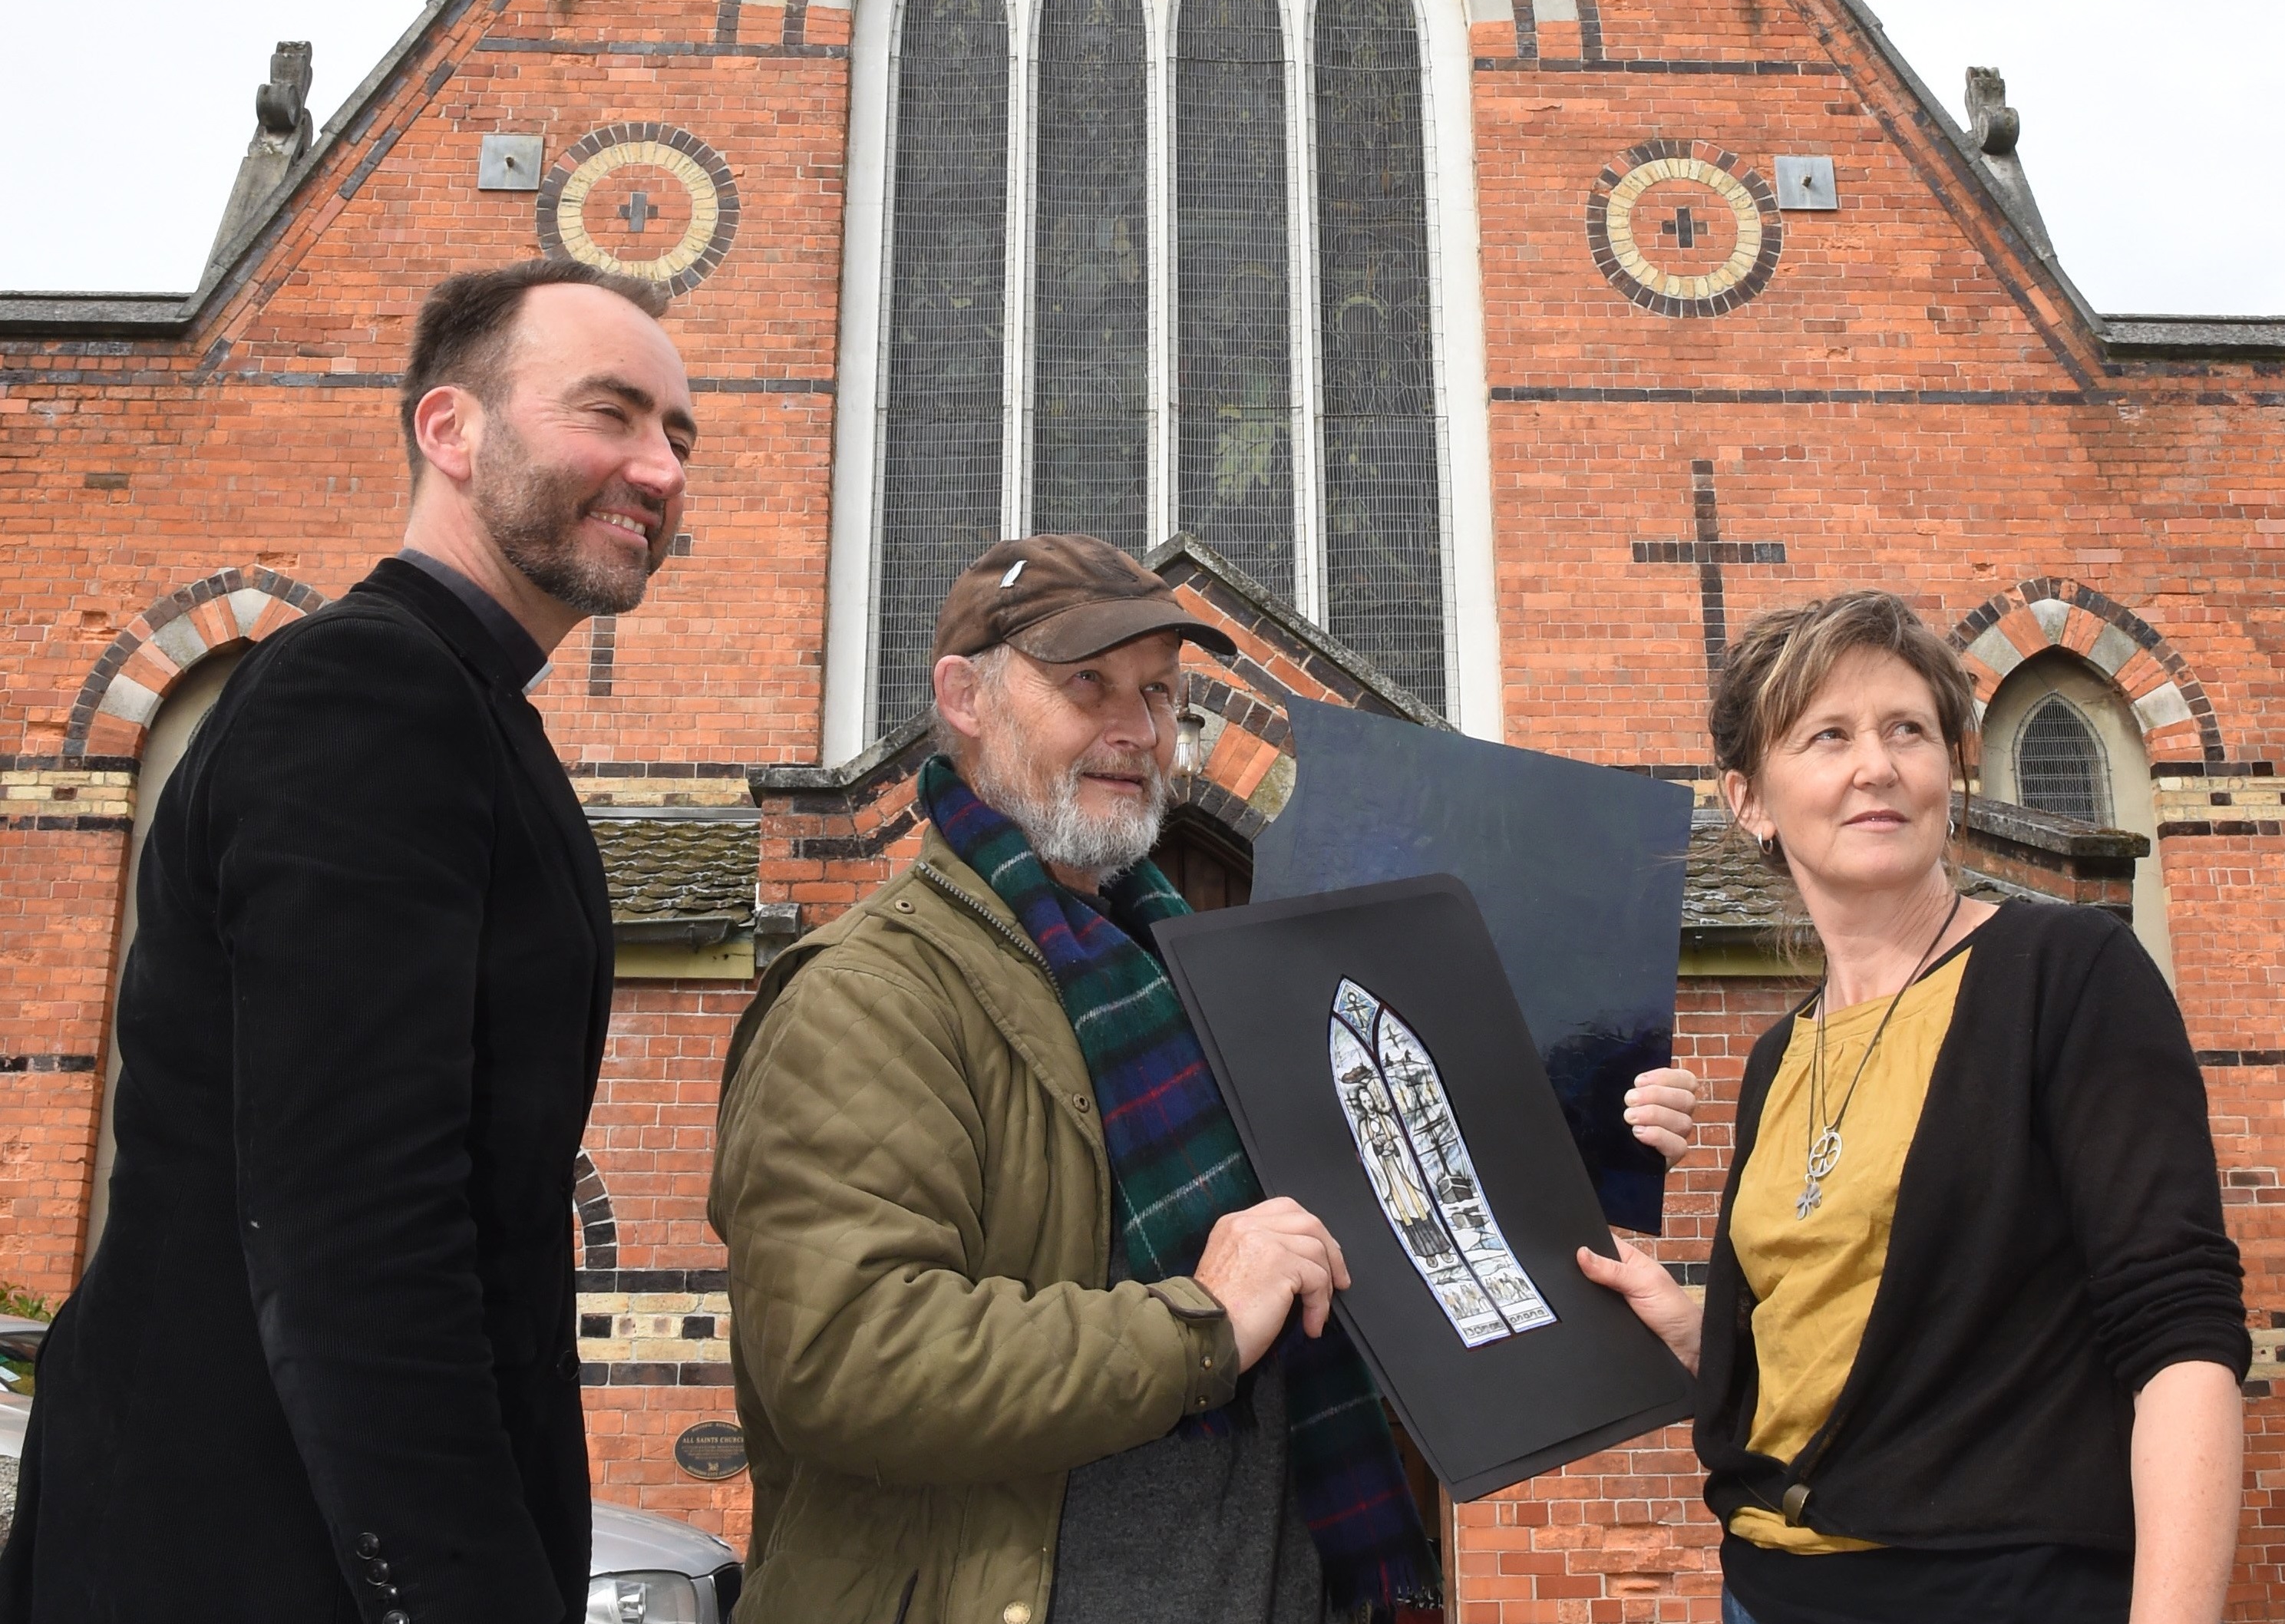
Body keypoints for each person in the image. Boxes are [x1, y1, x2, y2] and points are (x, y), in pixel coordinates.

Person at [710, 532, 1700, 1623]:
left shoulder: (1193, 972)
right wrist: (1200, 1323)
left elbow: (1374, 1215)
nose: (1134, 730)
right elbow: (845, 1358)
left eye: (1157, 692)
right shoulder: (867, 994)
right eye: (1086, 683)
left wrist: (1570, 1139)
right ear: (964, 696)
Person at [0, 259, 695, 1624]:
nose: (659, 467)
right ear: (451, 429)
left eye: (679, 434)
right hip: (248, 1560)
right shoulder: (369, 689)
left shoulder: (466, 705)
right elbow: (359, 1228)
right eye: (609, 413)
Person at [1579, 590, 2248, 1624]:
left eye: (1906, 730)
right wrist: (1693, 1333)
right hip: (1766, 1587)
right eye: (1827, 735)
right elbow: (1866, 1348)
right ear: (1749, 797)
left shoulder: (2063, 974)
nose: (1875, 765)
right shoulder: (1777, 1055)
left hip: (1994, 1594)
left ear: (1950, 766)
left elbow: (2180, 1336)